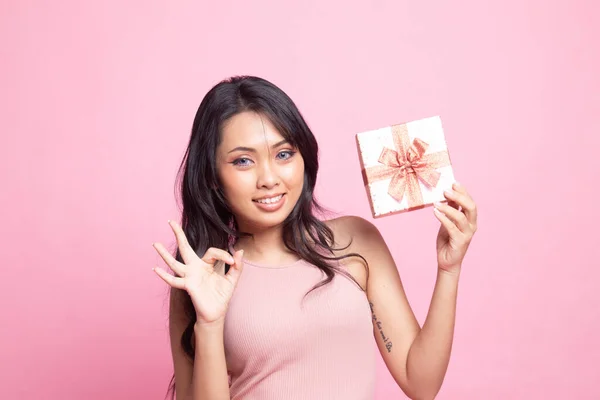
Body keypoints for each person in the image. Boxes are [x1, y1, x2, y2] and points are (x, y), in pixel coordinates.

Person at [152, 75, 478, 400]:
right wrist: (209, 324)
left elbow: (421, 384)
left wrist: (449, 270)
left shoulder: (357, 241)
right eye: (243, 161)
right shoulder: (199, 280)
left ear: (304, 158)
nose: (269, 178)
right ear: (212, 176)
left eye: (283, 154)